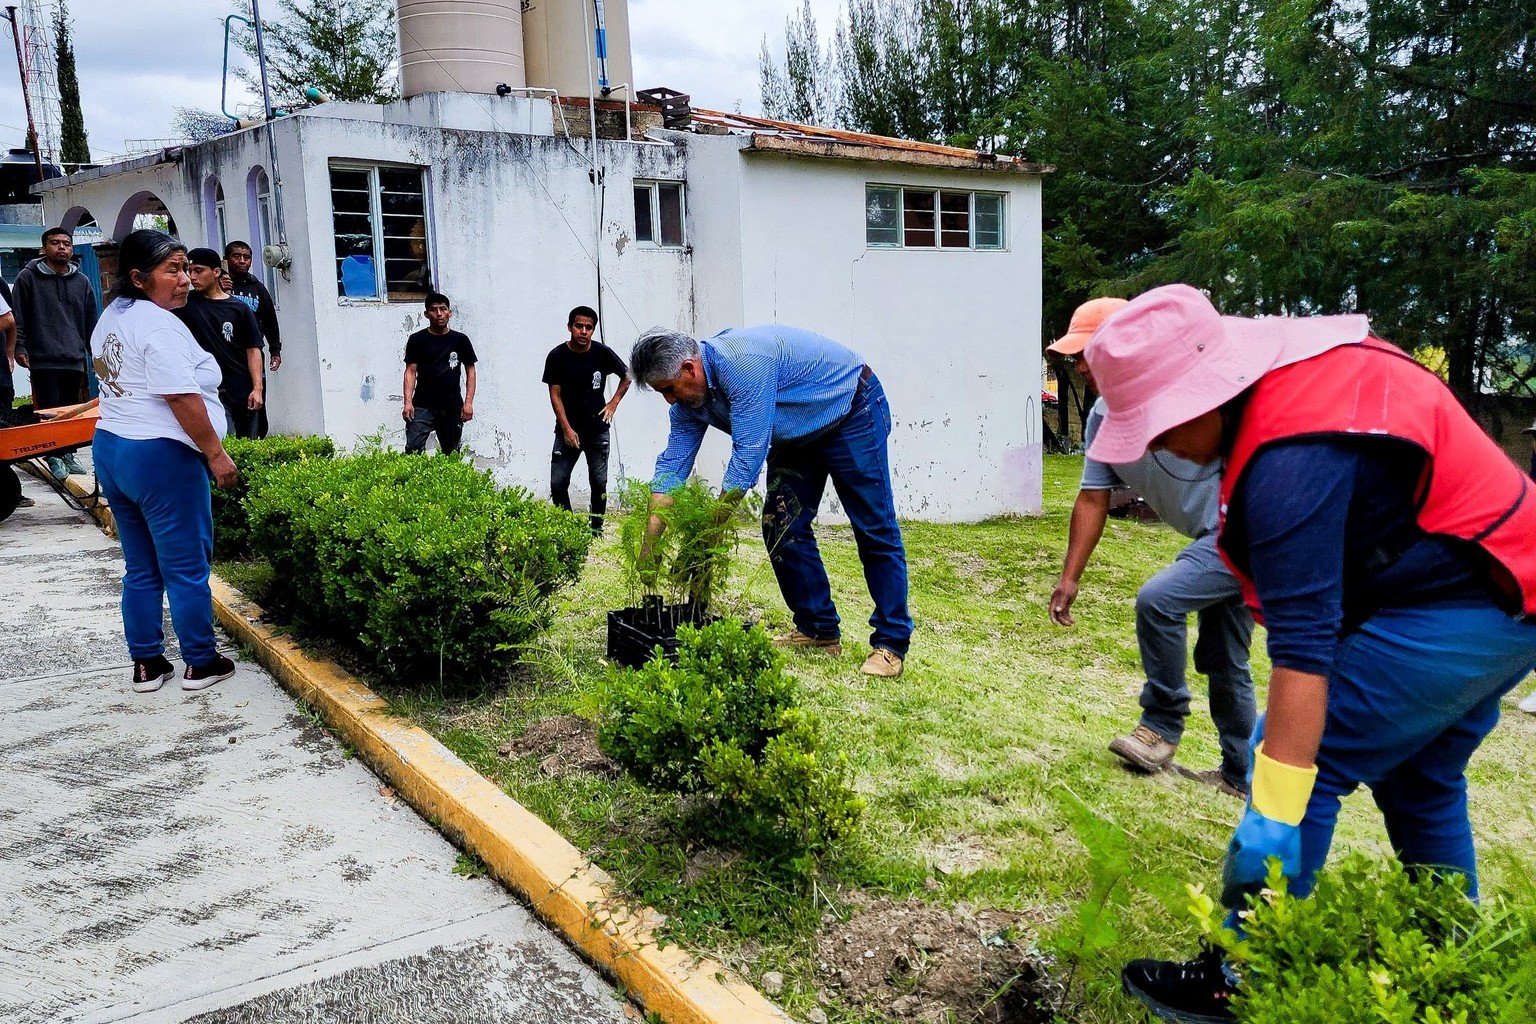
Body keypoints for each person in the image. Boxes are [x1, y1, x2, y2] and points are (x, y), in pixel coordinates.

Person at [1079, 285, 1536, 1022]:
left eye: (1156, 425)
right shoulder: (1290, 384)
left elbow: (1303, 651)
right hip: (1505, 583)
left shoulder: (1292, 462)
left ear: (1206, 389)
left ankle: (1241, 979)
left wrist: (1273, 816)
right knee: (1420, 781)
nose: (1154, 447)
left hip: (1470, 600)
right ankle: (1453, 967)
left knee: (1300, 764)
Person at [1048, 297, 1256, 798]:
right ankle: (1241, 775)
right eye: (1075, 356)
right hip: (1214, 536)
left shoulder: (1191, 398)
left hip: (1246, 531)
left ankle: (1160, 726)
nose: (1080, 366)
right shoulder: (1102, 419)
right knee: (1224, 657)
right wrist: (1070, 577)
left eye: (1088, 353)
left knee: (1159, 600)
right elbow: (1093, 498)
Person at [630, 325, 913, 678]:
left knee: (873, 526)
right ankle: (818, 629)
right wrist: (649, 549)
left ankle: (890, 644)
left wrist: (704, 543)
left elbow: (745, 460)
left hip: (850, 409)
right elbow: (671, 470)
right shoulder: (688, 405)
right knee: (781, 523)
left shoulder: (743, 365)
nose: (669, 401)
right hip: (798, 431)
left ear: (689, 368)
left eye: (668, 389)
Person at [89, 230, 240, 693]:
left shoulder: (113, 315)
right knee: (187, 568)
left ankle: (147, 664)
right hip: (161, 458)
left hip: (113, 449)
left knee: (141, 567)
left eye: (186, 268)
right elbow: (180, 396)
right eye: (172, 271)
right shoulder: (158, 326)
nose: (185, 280)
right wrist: (216, 454)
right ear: (138, 278)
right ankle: (201, 661)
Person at [14, 226, 99, 478]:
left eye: (66, 243)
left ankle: (68, 453)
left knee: (71, 410)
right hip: (43, 357)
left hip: (73, 357)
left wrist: (95, 355)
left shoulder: (82, 282)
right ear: (44, 248)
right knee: (49, 410)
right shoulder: (27, 278)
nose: (61, 247)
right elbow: (18, 315)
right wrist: (20, 346)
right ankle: (52, 455)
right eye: (55, 243)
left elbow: (91, 321)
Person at [543, 305, 630, 534]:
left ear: (593, 330)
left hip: (597, 430)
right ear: (570, 327)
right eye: (579, 326)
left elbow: (627, 375)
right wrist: (566, 429)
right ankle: (568, 528)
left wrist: (613, 403)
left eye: (588, 327)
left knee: (599, 483)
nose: (583, 331)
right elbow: (555, 395)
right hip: (567, 431)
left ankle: (596, 530)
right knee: (558, 483)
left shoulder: (602, 353)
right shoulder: (557, 356)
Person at [173, 248, 265, 439]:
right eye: (190, 271)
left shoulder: (239, 309)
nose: (192, 277)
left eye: (199, 271)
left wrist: (257, 389)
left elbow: (253, 349)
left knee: (248, 448)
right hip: (208, 391)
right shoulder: (184, 305)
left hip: (241, 390)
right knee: (224, 442)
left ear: (216, 272)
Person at [402, 292, 477, 454]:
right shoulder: (417, 340)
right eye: (433, 309)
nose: (439, 313)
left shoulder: (460, 340)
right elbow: (410, 371)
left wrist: (468, 403)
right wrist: (407, 403)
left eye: (443, 309)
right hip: (422, 405)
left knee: (451, 453)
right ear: (426, 314)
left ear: (450, 312)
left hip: (451, 406)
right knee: (413, 451)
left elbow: (470, 371)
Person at [224, 240, 281, 438]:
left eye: (246, 257)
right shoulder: (219, 287)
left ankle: (255, 439)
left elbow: (270, 320)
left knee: (256, 401)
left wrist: (275, 350)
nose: (242, 261)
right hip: (226, 356)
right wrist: (220, 289)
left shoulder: (257, 289)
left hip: (253, 355)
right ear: (226, 259)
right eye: (236, 256)